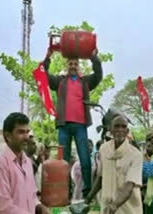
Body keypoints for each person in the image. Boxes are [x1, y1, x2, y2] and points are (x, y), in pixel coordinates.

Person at [44, 48, 102, 198]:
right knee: (63, 161)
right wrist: (48, 58)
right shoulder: (60, 81)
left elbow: (98, 75)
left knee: (84, 159)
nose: (73, 66)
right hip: (64, 126)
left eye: (76, 63)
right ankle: (65, 192)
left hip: (80, 126)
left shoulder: (85, 82)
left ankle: (87, 191)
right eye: (70, 63)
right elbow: (45, 76)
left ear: (79, 66)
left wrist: (94, 58)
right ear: (67, 65)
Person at [0, 112, 49, 214]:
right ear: (8, 136)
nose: (26, 137)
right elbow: (3, 208)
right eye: (21, 132)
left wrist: (39, 207)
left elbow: (31, 196)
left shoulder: (27, 162)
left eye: (27, 132)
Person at [84, 115, 143, 214]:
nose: (120, 129)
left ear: (127, 131)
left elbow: (129, 185)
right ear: (111, 130)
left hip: (128, 208)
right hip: (107, 206)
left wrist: (114, 205)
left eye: (123, 127)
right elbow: (100, 177)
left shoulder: (136, 155)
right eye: (117, 126)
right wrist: (88, 199)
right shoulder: (103, 149)